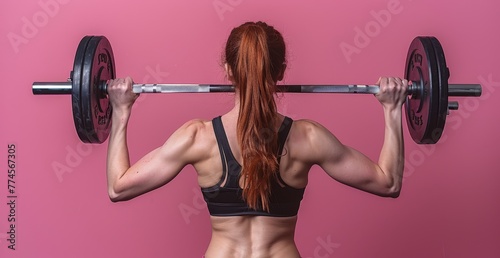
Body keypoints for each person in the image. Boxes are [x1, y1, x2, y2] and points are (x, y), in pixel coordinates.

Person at [105, 21, 408, 258]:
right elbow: (388, 183)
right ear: (281, 72)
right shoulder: (309, 138)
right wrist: (392, 109)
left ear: (228, 71)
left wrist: (120, 111)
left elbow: (118, 187)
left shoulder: (196, 137)